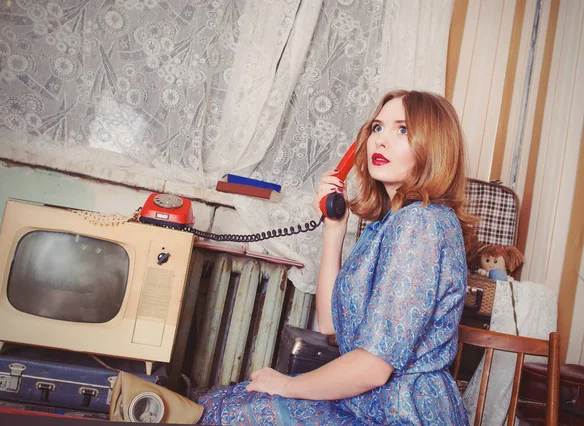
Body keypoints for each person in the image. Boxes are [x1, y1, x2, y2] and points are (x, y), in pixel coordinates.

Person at [198, 90, 477, 425]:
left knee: (234, 413)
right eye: (377, 128)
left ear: (435, 147)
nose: (381, 141)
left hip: (402, 413)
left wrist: (288, 385)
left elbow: (373, 368)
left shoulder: (422, 223)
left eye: (402, 130)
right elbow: (331, 324)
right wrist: (335, 227)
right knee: (224, 402)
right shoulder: (388, 225)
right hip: (366, 404)